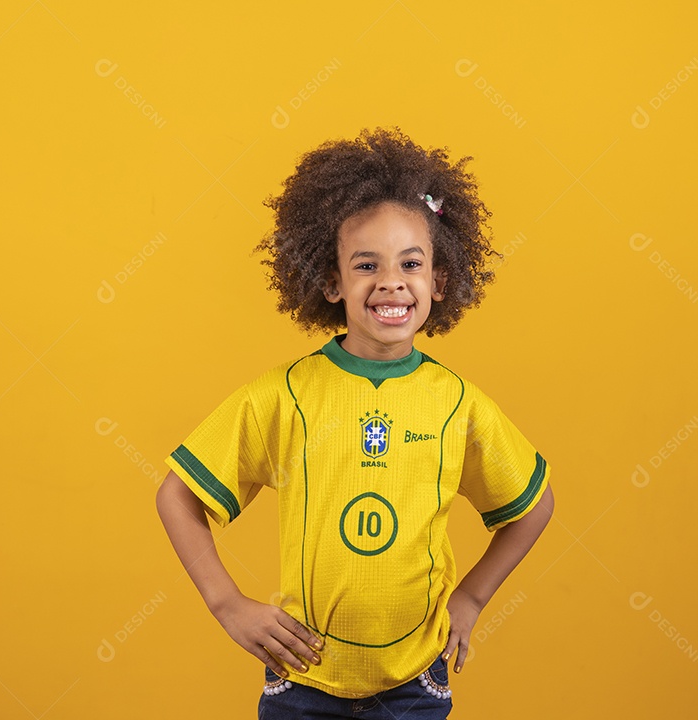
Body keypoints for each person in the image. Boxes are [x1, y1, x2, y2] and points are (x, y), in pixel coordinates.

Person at [156, 126, 555, 719]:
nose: (390, 281)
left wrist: (470, 598)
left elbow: (534, 506)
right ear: (331, 282)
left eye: (411, 263)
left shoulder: (458, 404)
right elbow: (177, 497)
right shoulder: (284, 395)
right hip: (302, 678)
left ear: (438, 281)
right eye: (366, 264)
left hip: (415, 683)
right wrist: (226, 603)